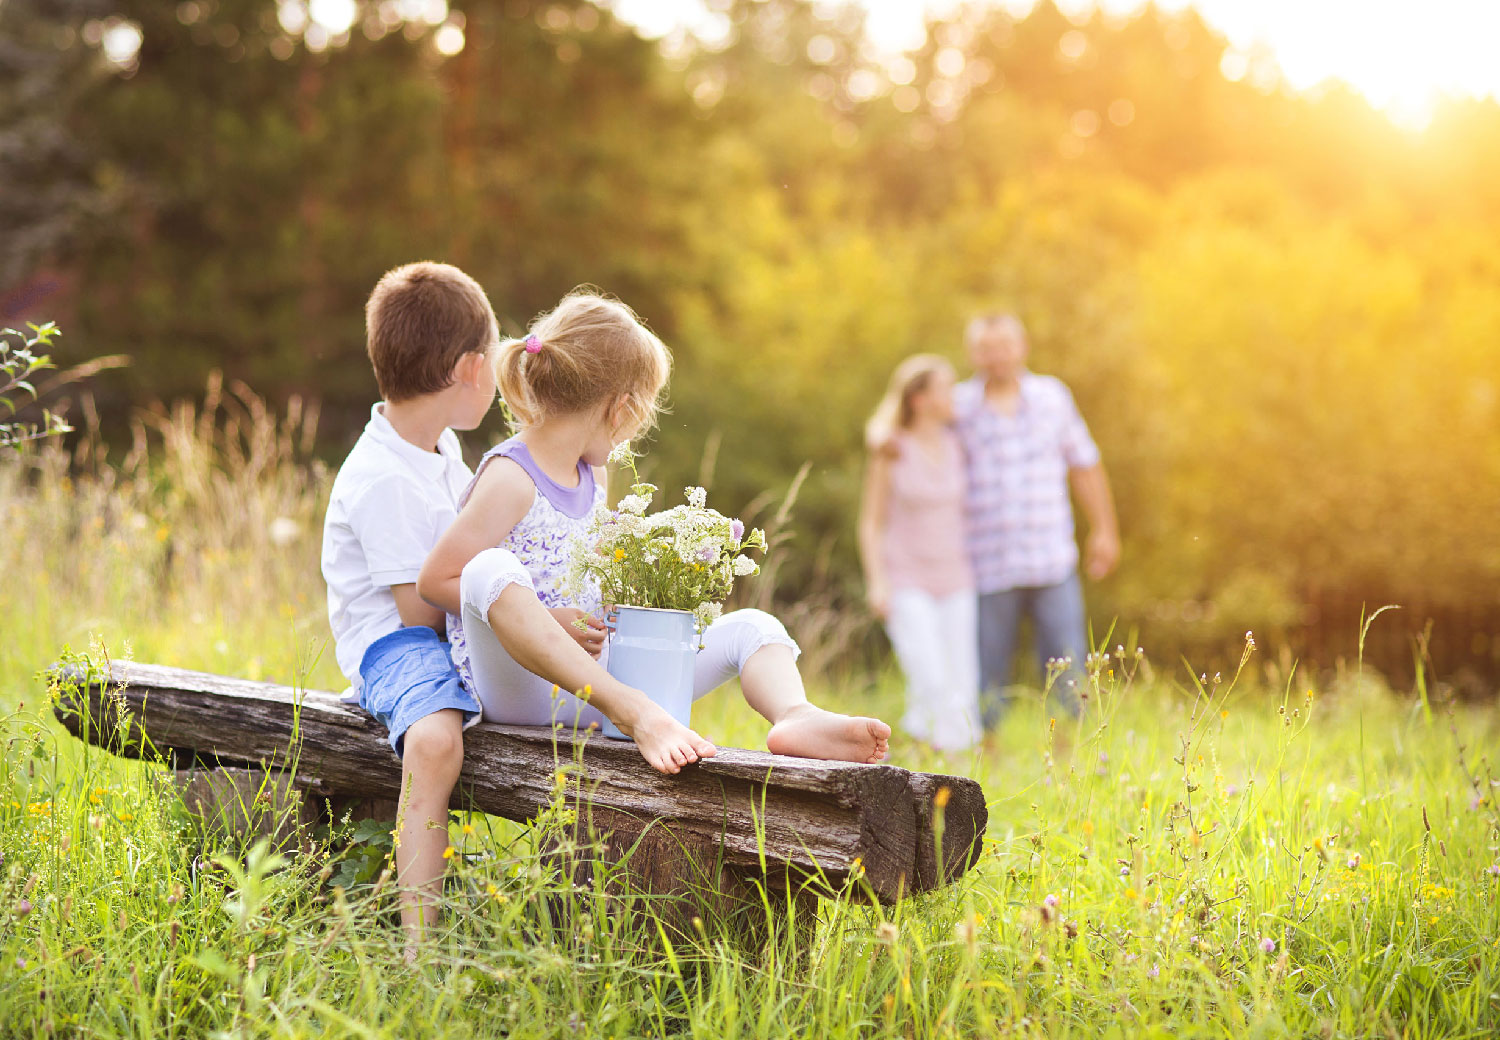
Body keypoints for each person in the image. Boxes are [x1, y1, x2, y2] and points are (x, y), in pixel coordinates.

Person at [418, 289, 891, 766]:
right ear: (619, 408)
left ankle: (795, 714)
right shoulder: (512, 476)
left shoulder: (591, 474)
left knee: (753, 627)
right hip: (519, 688)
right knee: (488, 568)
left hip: (589, 686)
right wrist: (548, 620)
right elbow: (435, 581)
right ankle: (635, 710)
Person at [320, 261, 497, 946]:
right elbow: (419, 616)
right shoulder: (383, 478)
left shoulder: (439, 446)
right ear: (469, 368)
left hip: (441, 623)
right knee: (435, 738)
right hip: (394, 644)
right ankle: (421, 947)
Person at [955, 313, 1120, 726]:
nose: (997, 357)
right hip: (986, 565)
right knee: (987, 676)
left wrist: (1104, 530)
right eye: (987, 348)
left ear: (1022, 346)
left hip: (1051, 559)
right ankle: (984, 759)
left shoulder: (1052, 396)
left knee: (1069, 671)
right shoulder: (958, 406)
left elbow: (1085, 464)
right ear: (973, 353)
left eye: (1005, 346)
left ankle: (1080, 754)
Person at [856, 355, 980, 750]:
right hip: (906, 578)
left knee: (962, 678)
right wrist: (877, 582)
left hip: (957, 576)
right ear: (920, 400)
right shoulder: (892, 450)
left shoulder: (959, 443)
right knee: (929, 675)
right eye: (946, 387)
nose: (954, 395)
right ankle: (929, 749)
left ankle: (954, 766)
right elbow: (870, 523)